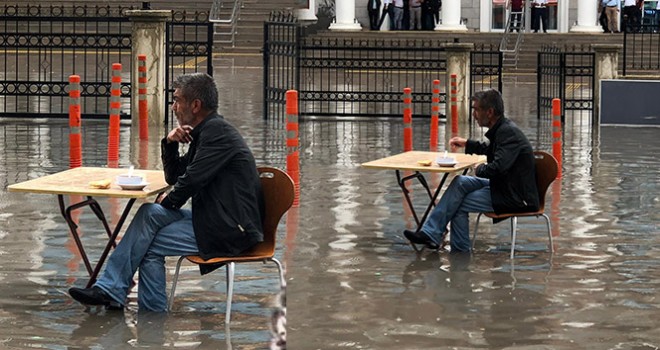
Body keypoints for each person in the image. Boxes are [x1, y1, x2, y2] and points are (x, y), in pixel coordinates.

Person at [68, 73, 264, 312]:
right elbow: (174, 177)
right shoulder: (205, 132)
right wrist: (170, 142)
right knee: (149, 212)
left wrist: (169, 200)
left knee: (147, 243)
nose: (173, 107)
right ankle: (116, 294)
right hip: (211, 218)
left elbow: (191, 180)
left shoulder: (217, 134)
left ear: (195, 105)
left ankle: (146, 316)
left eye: (177, 100)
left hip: (231, 230)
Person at [403, 89, 539, 252]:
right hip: (504, 186)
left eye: (476, 109)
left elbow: (498, 167)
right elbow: (490, 150)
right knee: (460, 182)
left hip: (515, 197)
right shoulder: (503, 129)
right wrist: (467, 144)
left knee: (458, 203)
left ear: (489, 112)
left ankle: (460, 256)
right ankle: (432, 233)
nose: (473, 114)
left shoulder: (507, 132)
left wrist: (480, 169)